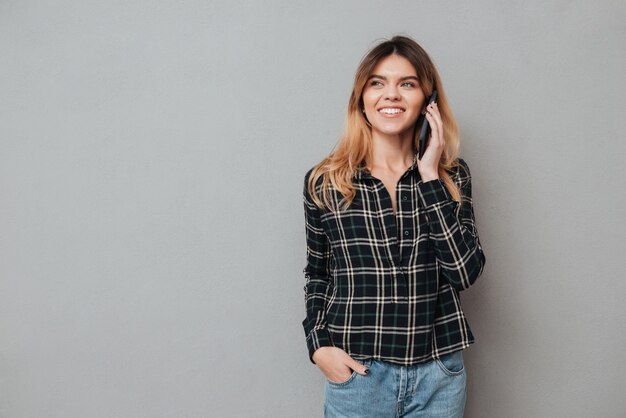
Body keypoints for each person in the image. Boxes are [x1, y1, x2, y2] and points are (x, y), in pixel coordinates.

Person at [301, 35, 486, 417]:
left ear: (427, 101)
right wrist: (318, 345)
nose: (392, 95)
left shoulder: (452, 177)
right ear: (361, 99)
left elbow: (464, 272)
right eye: (377, 83)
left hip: (439, 373)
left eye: (407, 83)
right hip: (359, 375)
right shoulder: (326, 182)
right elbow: (318, 274)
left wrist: (430, 175)